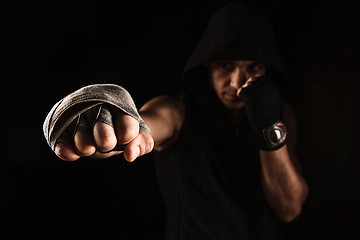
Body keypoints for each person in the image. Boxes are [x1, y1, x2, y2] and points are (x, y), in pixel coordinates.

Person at [43, 2, 308, 239]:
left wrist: (268, 125)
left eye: (253, 67)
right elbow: (147, 123)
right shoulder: (178, 112)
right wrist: (112, 113)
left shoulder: (281, 114)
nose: (237, 82)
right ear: (208, 64)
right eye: (227, 65)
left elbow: (289, 209)